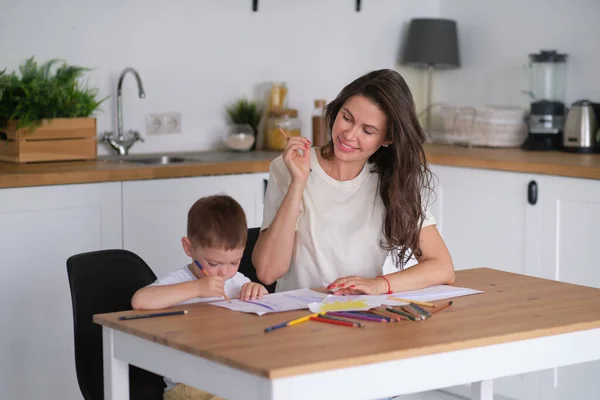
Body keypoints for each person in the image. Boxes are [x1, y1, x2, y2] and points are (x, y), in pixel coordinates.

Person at [252, 69, 455, 296]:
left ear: (387, 139)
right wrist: (298, 183)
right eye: (346, 118)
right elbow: (268, 271)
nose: (349, 135)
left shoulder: (391, 179)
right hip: (297, 316)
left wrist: (379, 284)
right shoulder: (288, 166)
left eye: (367, 131)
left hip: (361, 316)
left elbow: (442, 267)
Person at [132, 194, 267, 400]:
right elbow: (140, 301)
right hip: (189, 387)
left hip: (232, 378)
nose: (225, 272)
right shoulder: (180, 281)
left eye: (234, 262)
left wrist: (257, 290)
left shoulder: (237, 281)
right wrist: (196, 289)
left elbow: (264, 308)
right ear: (189, 248)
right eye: (214, 264)